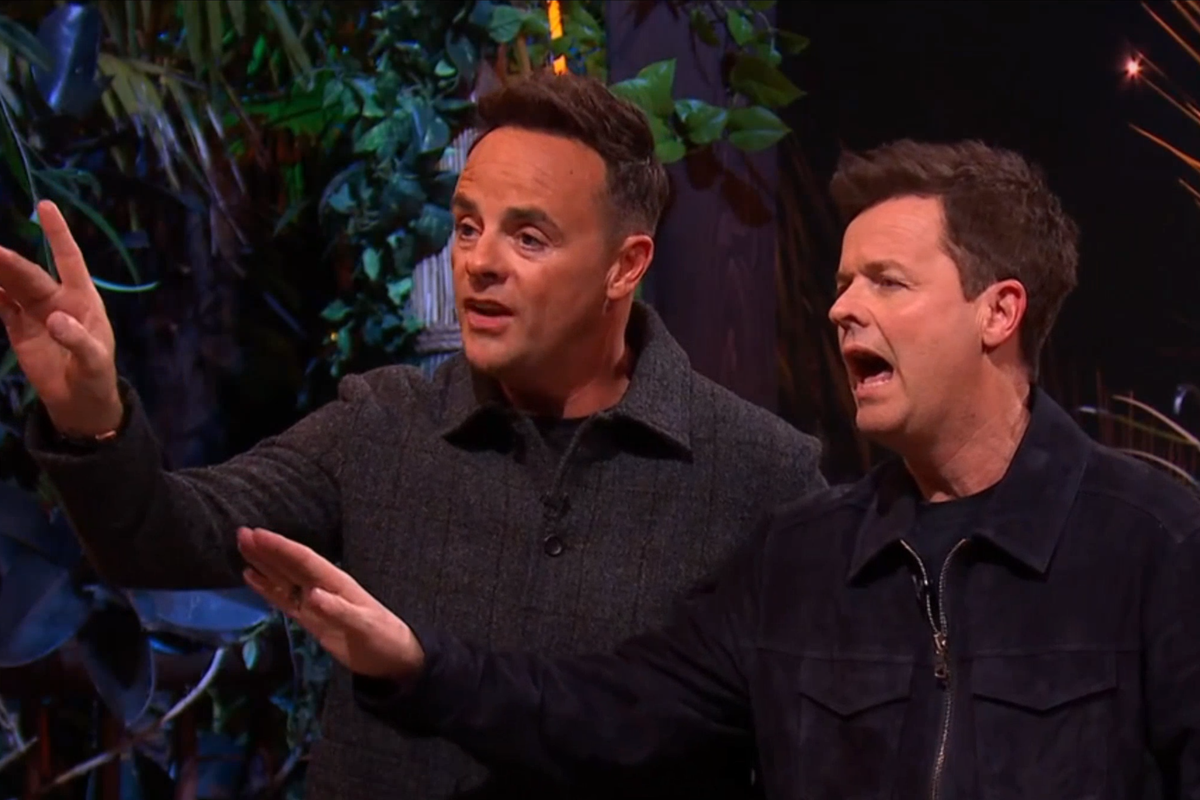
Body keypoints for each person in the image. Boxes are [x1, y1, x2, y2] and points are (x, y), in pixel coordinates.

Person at [236, 139, 1200, 799]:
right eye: (841, 283)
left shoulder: (1155, 546)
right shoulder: (803, 561)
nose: (841, 309)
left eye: (887, 282)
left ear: (999, 312)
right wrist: (416, 665)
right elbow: (607, 714)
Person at [1, 71, 826, 799]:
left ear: (625, 265)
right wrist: (90, 414)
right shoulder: (382, 424)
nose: (479, 262)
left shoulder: (759, 474)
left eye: (528, 237)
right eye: (467, 226)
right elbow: (164, 539)